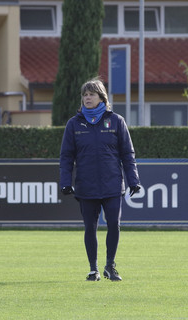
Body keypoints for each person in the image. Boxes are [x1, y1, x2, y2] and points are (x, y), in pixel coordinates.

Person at [59, 78, 140, 281]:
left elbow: (128, 154)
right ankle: (93, 269)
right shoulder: (74, 124)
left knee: (114, 223)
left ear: (101, 97)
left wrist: (133, 181)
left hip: (112, 184)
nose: (87, 98)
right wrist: (65, 182)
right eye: (85, 95)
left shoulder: (116, 121)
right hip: (86, 185)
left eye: (91, 94)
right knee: (90, 227)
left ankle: (110, 266)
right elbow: (66, 157)